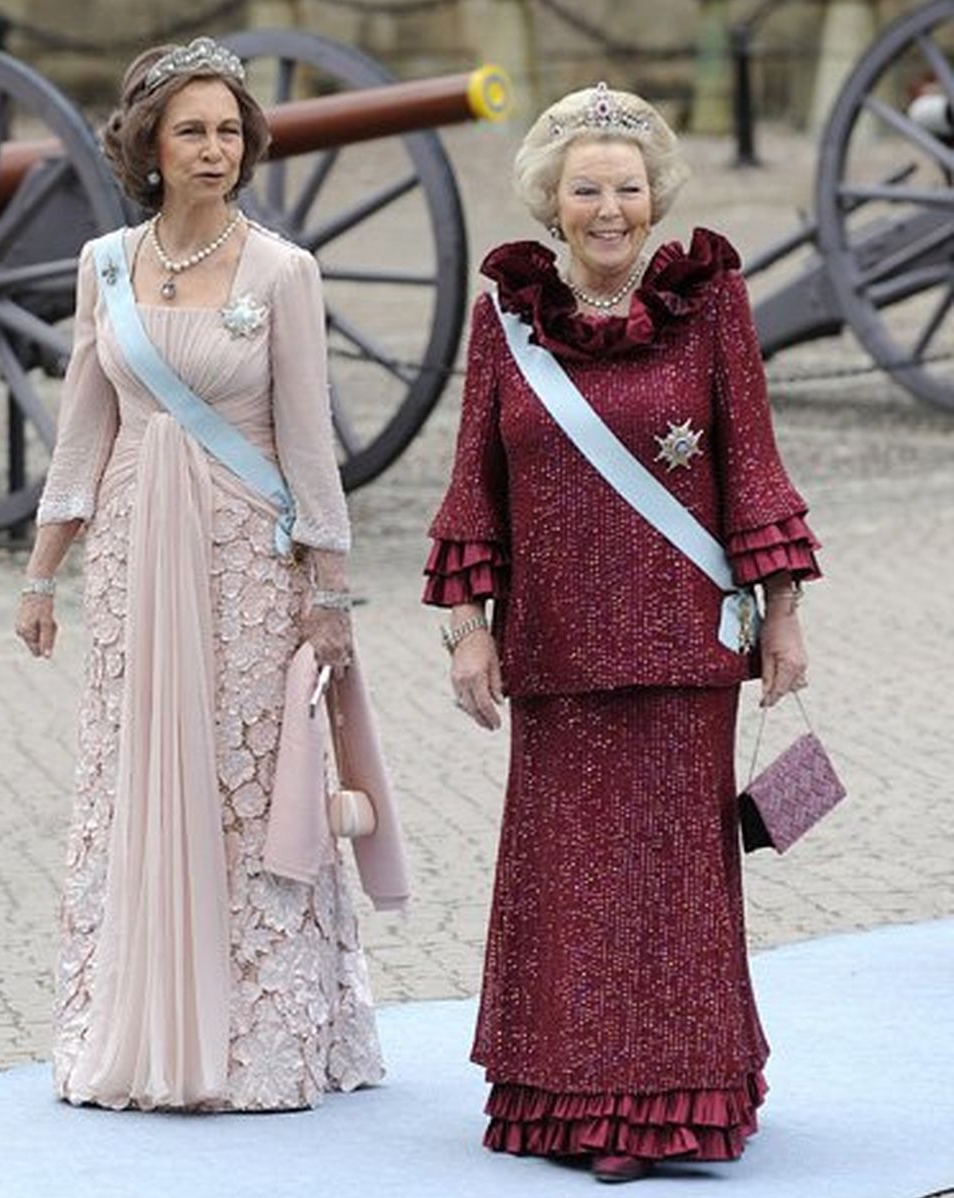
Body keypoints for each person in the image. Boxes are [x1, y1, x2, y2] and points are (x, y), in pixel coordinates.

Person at [423, 84, 820, 1184]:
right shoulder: (505, 320)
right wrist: (467, 628)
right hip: (554, 657)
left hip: (686, 648)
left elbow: (753, 463)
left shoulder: (712, 305)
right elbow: (473, 487)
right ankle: (560, 1098)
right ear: (552, 200)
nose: (609, 209)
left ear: (656, 197)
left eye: (627, 188)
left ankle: (681, 1105)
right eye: (585, 189)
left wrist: (780, 612)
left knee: (676, 883)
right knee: (564, 882)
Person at [14, 37, 406, 1112]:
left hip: (248, 557)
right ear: (149, 145)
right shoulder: (104, 263)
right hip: (135, 554)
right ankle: (134, 1022)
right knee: (138, 773)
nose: (213, 148)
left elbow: (310, 443)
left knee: (246, 788)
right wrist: (43, 575)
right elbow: (82, 430)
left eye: (229, 130)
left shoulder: (284, 270)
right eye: (191, 129)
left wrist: (330, 593)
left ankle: (264, 1038)